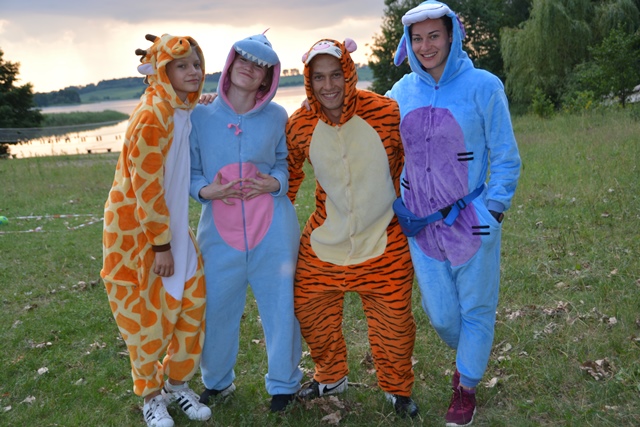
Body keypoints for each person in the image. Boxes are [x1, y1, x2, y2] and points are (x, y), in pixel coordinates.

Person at [387, 2, 521, 425]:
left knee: (476, 308)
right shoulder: (400, 93)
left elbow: (505, 155)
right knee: (443, 315)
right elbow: (365, 124)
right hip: (421, 227)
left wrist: (493, 211)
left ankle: (466, 387)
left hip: (472, 222)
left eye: (434, 36)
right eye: (417, 38)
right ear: (408, 42)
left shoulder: (484, 86)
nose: (426, 46)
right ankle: (470, 354)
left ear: (451, 36)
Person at [286, 38, 419, 418]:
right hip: (326, 243)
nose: (328, 85)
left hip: (384, 241)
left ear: (349, 73)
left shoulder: (387, 113)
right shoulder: (299, 125)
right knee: (309, 308)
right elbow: (290, 173)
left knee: (395, 324)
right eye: (319, 77)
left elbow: (413, 163)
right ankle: (330, 376)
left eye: (335, 75)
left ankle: (396, 388)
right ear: (309, 80)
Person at [189, 32, 303, 413]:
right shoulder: (200, 116)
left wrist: (276, 183)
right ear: (230, 63)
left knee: (281, 306)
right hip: (219, 235)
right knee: (216, 308)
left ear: (268, 78)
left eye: (260, 67)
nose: (250, 69)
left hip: (274, 231)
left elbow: (284, 163)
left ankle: (284, 384)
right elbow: (191, 171)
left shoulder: (277, 116)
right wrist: (205, 191)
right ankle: (217, 381)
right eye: (244, 60)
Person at [101, 34, 211, 427]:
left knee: (192, 305)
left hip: (172, 227)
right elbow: (146, 187)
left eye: (196, 64)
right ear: (162, 71)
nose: (193, 71)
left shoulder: (179, 107)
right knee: (145, 315)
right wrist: (161, 245)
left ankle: (177, 384)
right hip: (139, 236)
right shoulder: (152, 115)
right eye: (182, 65)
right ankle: (151, 396)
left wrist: (204, 102)